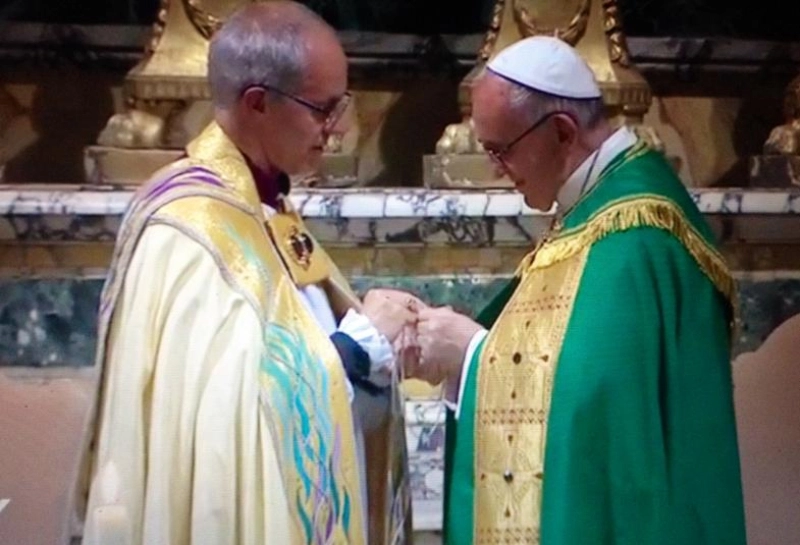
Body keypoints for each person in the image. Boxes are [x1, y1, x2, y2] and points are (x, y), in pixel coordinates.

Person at [81, 3, 416, 544]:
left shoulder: (269, 205)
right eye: (323, 109)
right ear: (258, 102)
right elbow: (227, 425)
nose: (339, 130)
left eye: (342, 106)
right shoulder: (185, 231)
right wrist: (358, 347)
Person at [408, 36, 746, 544]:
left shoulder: (635, 238)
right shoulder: (601, 205)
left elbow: (591, 411)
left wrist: (471, 357)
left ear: (562, 132)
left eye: (501, 150)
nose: (498, 172)